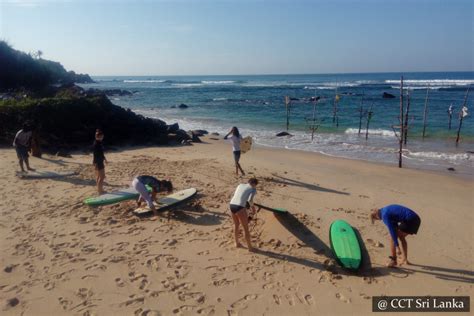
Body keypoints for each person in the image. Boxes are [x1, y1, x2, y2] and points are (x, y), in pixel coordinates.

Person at [229, 178, 258, 251]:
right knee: (246, 228)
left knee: (236, 225)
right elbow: (249, 200)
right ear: (254, 184)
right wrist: (253, 208)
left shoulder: (240, 185)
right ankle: (250, 247)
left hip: (232, 205)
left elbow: (240, 195)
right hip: (239, 207)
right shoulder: (253, 189)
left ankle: (237, 243)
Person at [93, 129, 107, 195]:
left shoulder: (98, 143)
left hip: (98, 162)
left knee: (99, 177)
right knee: (102, 177)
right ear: (97, 137)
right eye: (101, 136)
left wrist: (105, 159)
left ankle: (100, 190)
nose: (102, 138)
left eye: (102, 136)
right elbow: (96, 154)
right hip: (99, 162)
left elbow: (101, 153)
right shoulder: (97, 144)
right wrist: (96, 162)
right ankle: (100, 191)